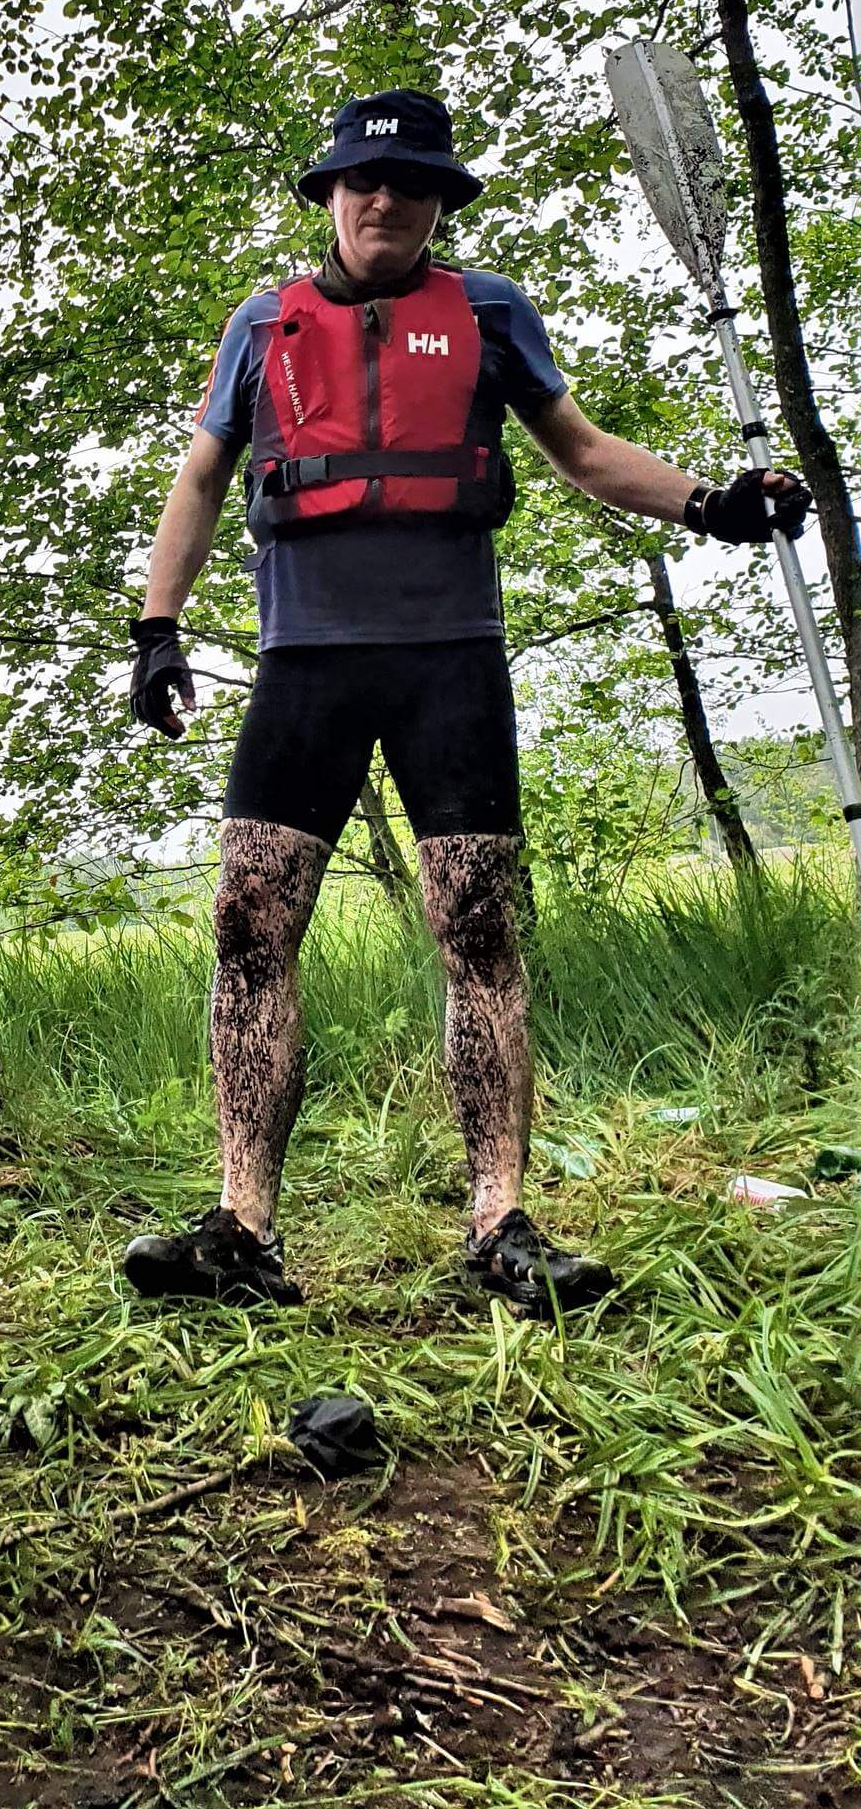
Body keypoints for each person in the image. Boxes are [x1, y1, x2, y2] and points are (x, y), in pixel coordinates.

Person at [122, 89, 811, 1315]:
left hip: (451, 661)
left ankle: (500, 1221)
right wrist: (157, 629)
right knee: (247, 922)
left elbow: (586, 450)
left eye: (409, 182)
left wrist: (713, 503)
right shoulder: (258, 326)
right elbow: (202, 477)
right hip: (307, 667)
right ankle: (242, 1224)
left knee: (478, 927)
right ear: (331, 196)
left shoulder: (491, 311)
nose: (382, 198)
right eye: (361, 181)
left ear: (439, 201)